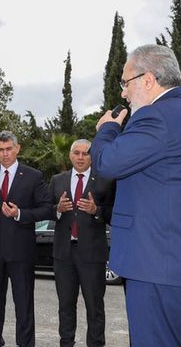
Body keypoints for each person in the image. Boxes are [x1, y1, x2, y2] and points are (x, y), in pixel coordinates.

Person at [91, 44, 181, 346]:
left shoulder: (157, 116)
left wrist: (108, 129)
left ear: (148, 80)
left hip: (158, 266)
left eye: (126, 83)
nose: (124, 93)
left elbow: (107, 162)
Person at [0, 130, 52, 347]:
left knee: (24, 305)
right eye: (1, 149)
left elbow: (46, 209)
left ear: (17, 148)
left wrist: (20, 214)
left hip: (21, 253)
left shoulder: (33, 176)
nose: (5, 153)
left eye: (9, 149)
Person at [48, 139, 115, 347]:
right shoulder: (57, 180)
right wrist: (57, 209)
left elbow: (113, 214)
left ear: (91, 156)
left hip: (92, 255)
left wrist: (96, 211)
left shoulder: (105, 181)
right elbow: (46, 208)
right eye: (76, 153)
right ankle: (66, 343)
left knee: (94, 307)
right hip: (64, 254)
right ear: (70, 155)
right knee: (65, 305)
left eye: (85, 153)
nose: (80, 157)